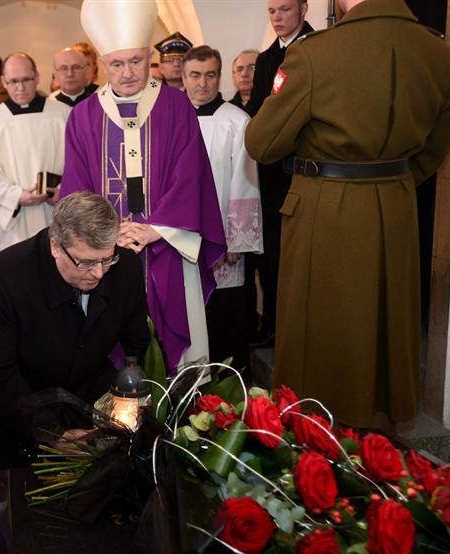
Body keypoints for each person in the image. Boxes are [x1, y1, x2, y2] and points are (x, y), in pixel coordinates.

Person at [245, 0, 450, 428]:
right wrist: (389, 183)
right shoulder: (436, 51)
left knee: (319, 337)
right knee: (384, 325)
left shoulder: (314, 52)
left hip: (326, 206)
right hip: (396, 205)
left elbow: (262, 143)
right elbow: (438, 142)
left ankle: (314, 442)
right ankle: (379, 435)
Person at [0, 191, 150, 520]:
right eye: (86, 262)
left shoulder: (126, 268)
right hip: (8, 412)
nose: (99, 273)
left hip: (81, 399)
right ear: (54, 245)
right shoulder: (2, 280)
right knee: (11, 521)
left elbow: (135, 344)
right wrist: (50, 433)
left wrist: (124, 404)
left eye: (107, 258)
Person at [62, 0, 226, 370]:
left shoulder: (176, 107)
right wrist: (109, 232)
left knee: (175, 351)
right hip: (106, 251)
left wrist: (155, 229)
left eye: (136, 61)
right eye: (117, 64)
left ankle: (179, 418)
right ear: (101, 65)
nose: (127, 73)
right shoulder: (82, 117)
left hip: (167, 244)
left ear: (148, 56)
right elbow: (77, 187)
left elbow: (191, 176)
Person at [182, 46, 262, 373]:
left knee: (223, 317)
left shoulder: (237, 121)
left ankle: (227, 392)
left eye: (210, 75)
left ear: (219, 77)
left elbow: (246, 184)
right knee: (186, 314)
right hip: (180, 238)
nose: (203, 83)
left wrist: (235, 240)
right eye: (195, 75)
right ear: (184, 78)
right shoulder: (170, 120)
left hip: (223, 243)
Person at [246, 0, 314, 348]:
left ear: (304, 9)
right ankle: (272, 325)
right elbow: (259, 115)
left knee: (304, 257)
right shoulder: (266, 59)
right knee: (272, 255)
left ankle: (304, 330)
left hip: (307, 172)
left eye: (284, 9)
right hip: (272, 175)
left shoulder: (320, 50)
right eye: (271, 11)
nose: (277, 18)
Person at [0, 52, 70, 250]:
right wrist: (16, 195)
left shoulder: (63, 114)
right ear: (3, 82)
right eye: (14, 81)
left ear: (38, 77)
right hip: (16, 220)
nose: (20, 87)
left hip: (59, 215)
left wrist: (64, 191)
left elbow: (79, 163)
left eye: (26, 80)